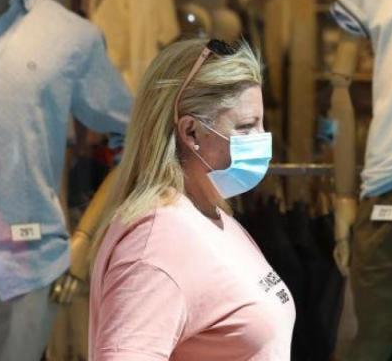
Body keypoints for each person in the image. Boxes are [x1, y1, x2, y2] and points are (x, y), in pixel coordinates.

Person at [88, 39, 296, 360]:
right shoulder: (155, 246)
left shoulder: (209, 215)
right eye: (245, 127)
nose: (262, 139)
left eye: (261, 123)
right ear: (191, 132)